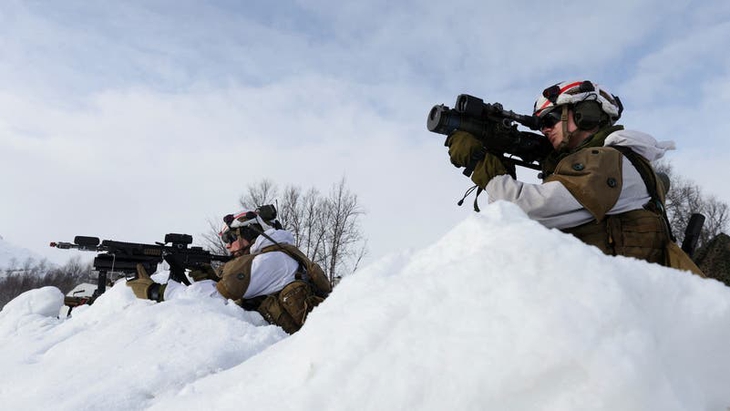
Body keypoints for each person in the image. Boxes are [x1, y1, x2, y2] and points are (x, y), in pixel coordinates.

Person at [446, 79, 703, 275]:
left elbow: (524, 211)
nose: (545, 129)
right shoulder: (627, 159)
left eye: (551, 119)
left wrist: (479, 162)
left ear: (584, 114)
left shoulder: (607, 160)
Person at [127, 206, 331, 333]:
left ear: (252, 231)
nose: (227, 245)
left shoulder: (270, 260)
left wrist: (156, 291)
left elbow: (210, 300)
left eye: (231, 238)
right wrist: (215, 278)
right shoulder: (282, 254)